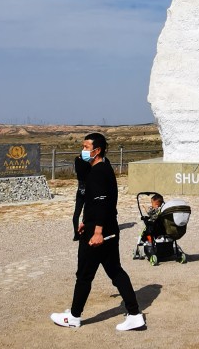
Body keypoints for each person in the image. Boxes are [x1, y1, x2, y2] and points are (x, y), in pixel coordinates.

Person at [51, 133, 145, 331]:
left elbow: (102, 203)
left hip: (100, 234)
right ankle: (135, 314)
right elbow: (96, 203)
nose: (83, 151)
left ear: (97, 150)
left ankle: (74, 316)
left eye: (86, 147)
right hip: (106, 230)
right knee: (115, 271)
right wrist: (86, 222)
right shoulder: (101, 169)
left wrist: (97, 231)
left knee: (84, 275)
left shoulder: (99, 172)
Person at [71, 150, 91, 242]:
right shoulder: (88, 164)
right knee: (87, 212)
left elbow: (77, 158)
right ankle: (85, 231)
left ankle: (76, 234)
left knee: (76, 213)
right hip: (89, 191)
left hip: (80, 190)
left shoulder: (77, 161)